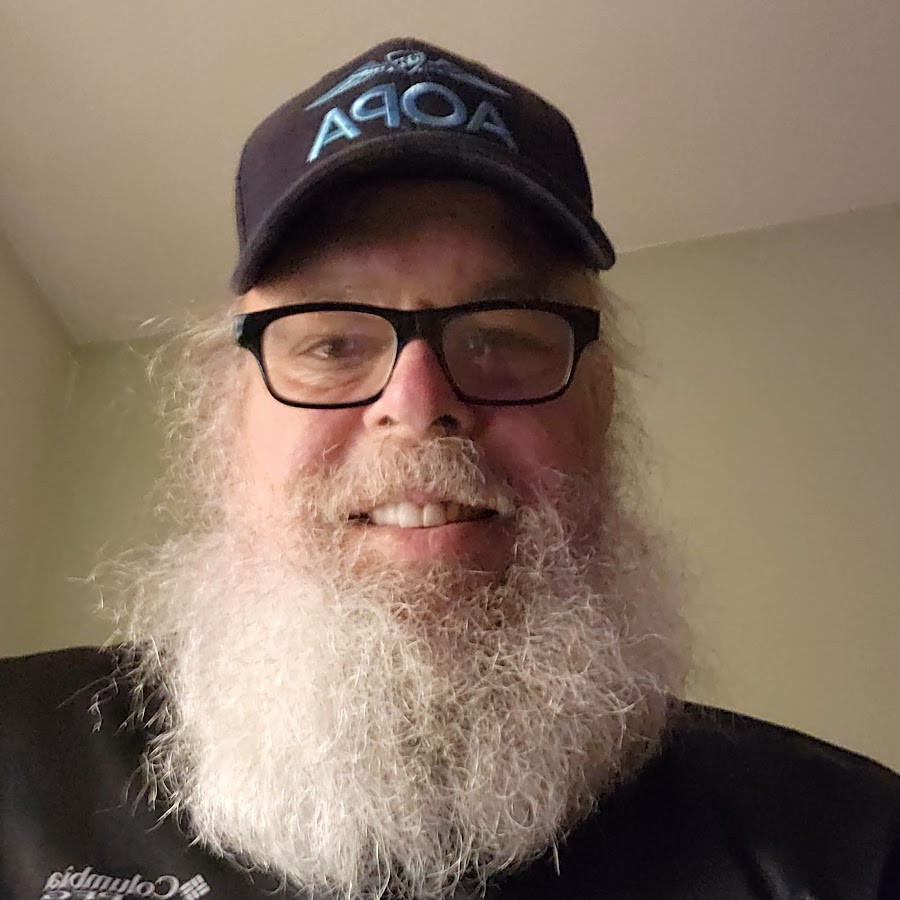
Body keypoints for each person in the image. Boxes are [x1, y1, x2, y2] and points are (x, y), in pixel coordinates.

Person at [1, 37, 898, 900]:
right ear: (230, 420)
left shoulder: (850, 849)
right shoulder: (17, 763)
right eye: (331, 344)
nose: (419, 400)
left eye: (501, 336)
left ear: (603, 409)